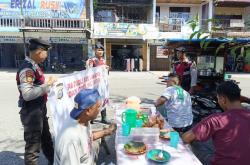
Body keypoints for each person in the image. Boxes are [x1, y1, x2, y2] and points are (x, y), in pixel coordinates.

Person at [182, 81, 250, 165]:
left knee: (194, 141)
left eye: (218, 98)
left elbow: (186, 138)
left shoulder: (216, 119)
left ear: (223, 99)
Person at [16, 38, 57, 165]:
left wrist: (48, 87)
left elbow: (37, 86)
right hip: (32, 113)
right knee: (33, 148)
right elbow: (27, 94)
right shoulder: (27, 69)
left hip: (39, 110)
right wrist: (47, 85)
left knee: (46, 141)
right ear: (39, 51)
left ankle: (54, 162)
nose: (46, 55)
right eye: (46, 52)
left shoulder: (35, 66)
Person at [54, 89, 116, 165]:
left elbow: (88, 138)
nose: (99, 110)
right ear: (88, 111)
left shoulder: (83, 119)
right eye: (98, 107)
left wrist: (107, 131)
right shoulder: (70, 138)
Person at [89, 43, 109, 123]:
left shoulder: (103, 60)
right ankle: (91, 118)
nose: (100, 52)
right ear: (95, 51)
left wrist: (107, 68)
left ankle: (103, 118)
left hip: (103, 84)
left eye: (102, 50)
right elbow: (89, 72)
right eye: (99, 50)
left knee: (103, 99)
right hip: (94, 84)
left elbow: (106, 73)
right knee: (94, 101)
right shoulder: (92, 60)